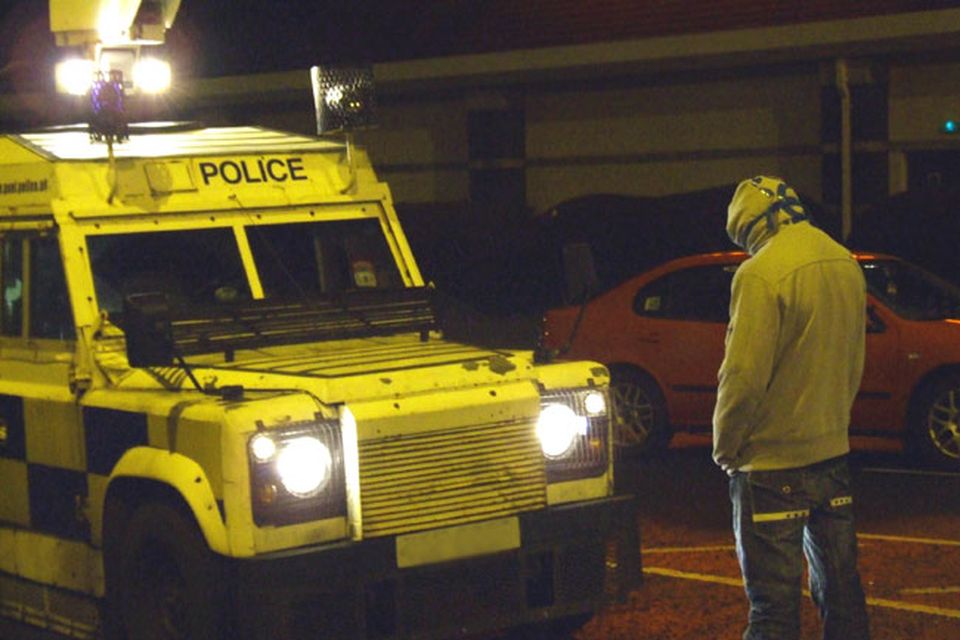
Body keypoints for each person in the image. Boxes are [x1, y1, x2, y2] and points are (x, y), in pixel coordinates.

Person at [713, 176, 870, 640]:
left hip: (770, 465)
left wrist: (726, 447)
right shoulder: (844, 262)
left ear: (750, 227)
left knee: (773, 608)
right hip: (831, 452)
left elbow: (742, 376)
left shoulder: (761, 274)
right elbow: (853, 362)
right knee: (842, 594)